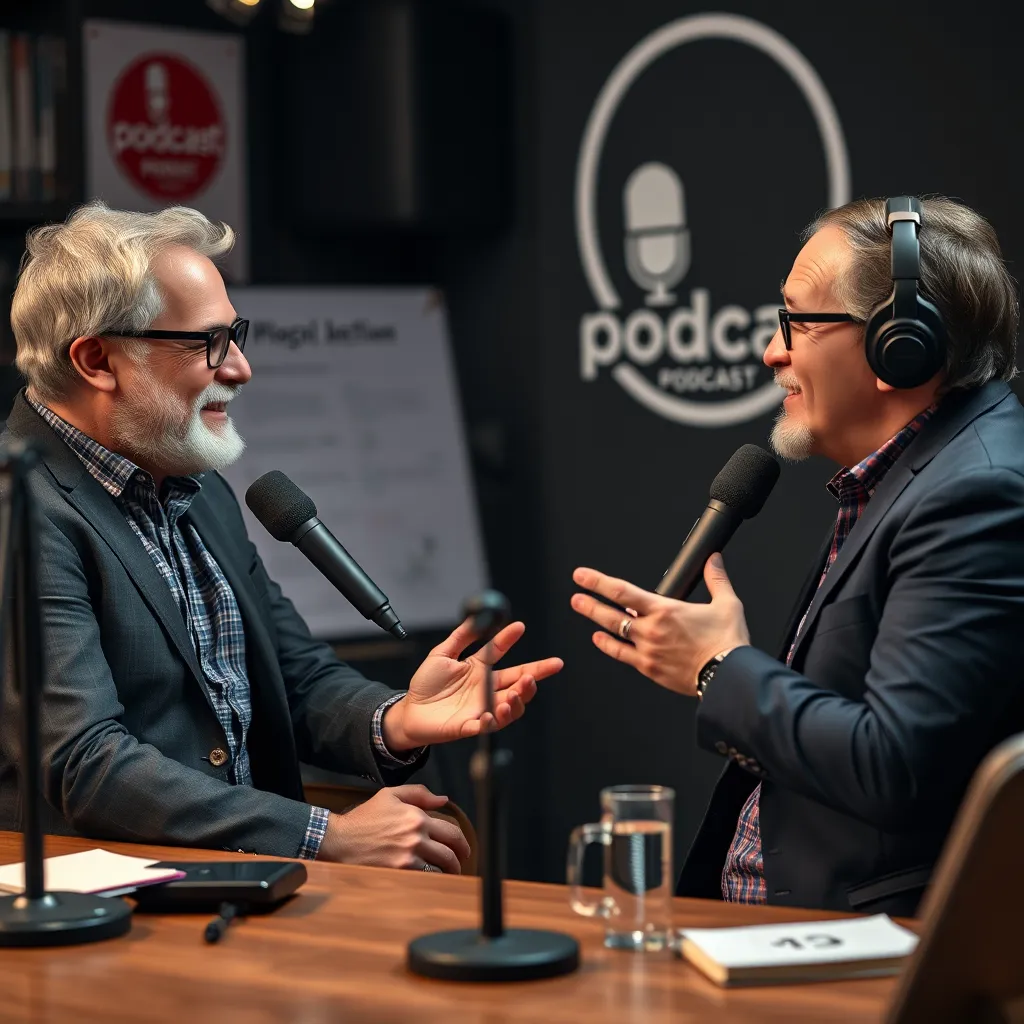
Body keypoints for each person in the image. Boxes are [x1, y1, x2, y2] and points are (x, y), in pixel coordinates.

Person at [0, 201, 562, 872]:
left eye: (236, 336)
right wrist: (326, 834)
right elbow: (86, 763)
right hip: (109, 922)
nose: (239, 368)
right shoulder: (20, 504)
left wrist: (400, 719)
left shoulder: (194, 482)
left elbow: (292, 676)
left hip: (242, 886)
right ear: (97, 360)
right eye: (209, 343)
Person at [571, 195, 1024, 915]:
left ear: (899, 345)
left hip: (860, 960)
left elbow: (895, 766)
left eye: (799, 321)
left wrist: (717, 670)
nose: (772, 351)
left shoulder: (976, 493)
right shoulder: (914, 473)